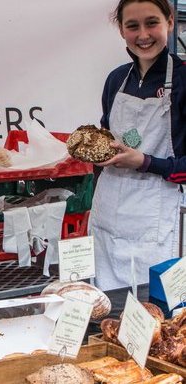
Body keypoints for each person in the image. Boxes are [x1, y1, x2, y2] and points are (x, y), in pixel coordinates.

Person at [90, 0, 186, 291]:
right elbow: (107, 139)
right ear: (121, 30)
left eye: (151, 23)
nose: (143, 35)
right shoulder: (116, 80)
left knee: (157, 318)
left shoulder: (183, 80)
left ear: (169, 22)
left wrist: (144, 161)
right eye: (132, 26)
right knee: (106, 313)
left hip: (158, 221)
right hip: (108, 217)